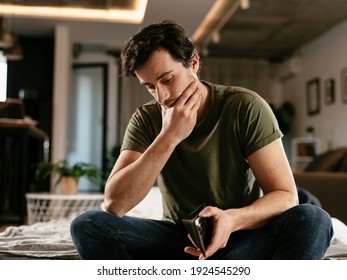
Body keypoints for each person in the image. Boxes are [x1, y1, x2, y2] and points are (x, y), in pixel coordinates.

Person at [70, 20, 333, 260]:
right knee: (88, 225)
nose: (161, 96)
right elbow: (115, 204)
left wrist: (231, 220)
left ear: (193, 62)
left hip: (240, 233)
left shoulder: (244, 106)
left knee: (313, 218)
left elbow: (286, 197)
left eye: (167, 79)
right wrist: (169, 136)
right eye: (150, 86)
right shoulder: (146, 118)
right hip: (180, 239)